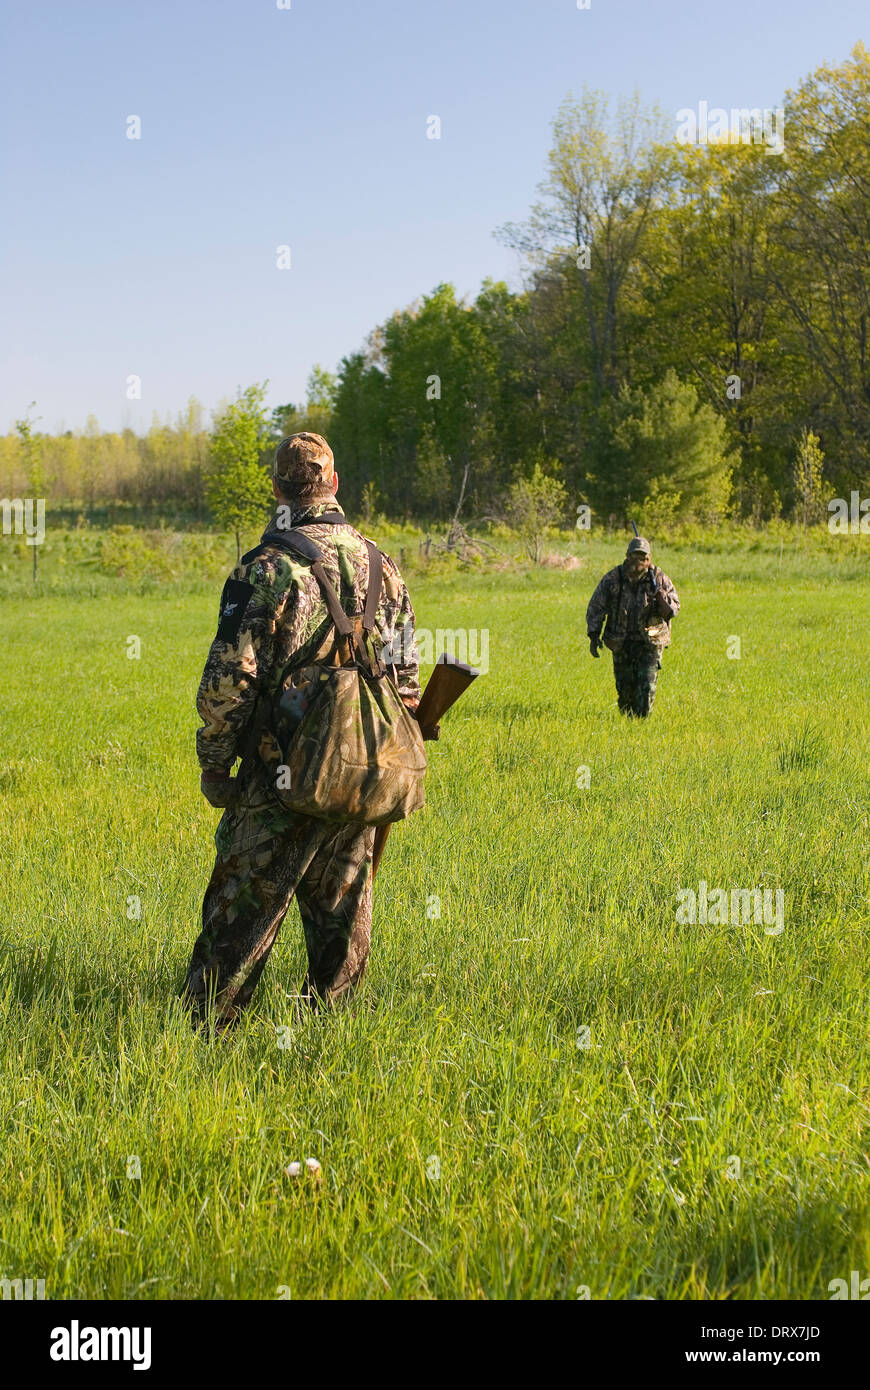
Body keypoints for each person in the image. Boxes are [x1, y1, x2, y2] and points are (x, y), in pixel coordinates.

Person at [182, 432, 422, 1031]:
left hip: (281, 768)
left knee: (243, 908)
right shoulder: (381, 564)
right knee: (342, 901)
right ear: (335, 484)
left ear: (279, 488)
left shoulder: (266, 567)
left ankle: (207, 1033)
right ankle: (331, 1028)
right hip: (364, 766)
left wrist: (215, 762)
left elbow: (230, 679)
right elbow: (405, 677)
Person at [586, 535, 679, 717]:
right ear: (627, 556)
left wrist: (661, 597)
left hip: (650, 642)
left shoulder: (659, 578)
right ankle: (627, 729)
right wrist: (594, 635)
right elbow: (596, 606)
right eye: (635, 556)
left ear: (649, 558)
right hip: (621, 641)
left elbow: (674, 608)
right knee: (625, 691)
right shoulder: (613, 578)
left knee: (646, 689)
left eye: (643, 558)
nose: (639, 561)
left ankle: (642, 728)